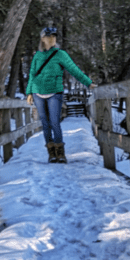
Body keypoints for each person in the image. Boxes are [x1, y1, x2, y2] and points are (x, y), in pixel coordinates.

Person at [26, 27, 96, 163]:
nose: (52, 39)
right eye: (48, 36)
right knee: (45, 124)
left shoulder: (60, 54)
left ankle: (60, 154)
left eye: (54, 36)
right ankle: (51, 153)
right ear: (42, 39)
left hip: (54, 93)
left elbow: (74, 69)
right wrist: (29, 92)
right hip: (37, 92)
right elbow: (32, 75)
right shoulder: (37, 56)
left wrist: (88, 83)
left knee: (55, 123)